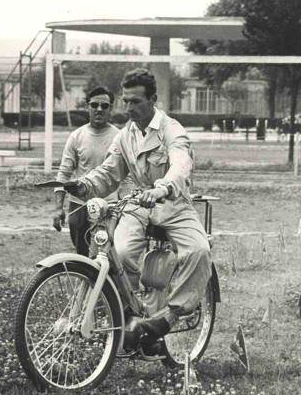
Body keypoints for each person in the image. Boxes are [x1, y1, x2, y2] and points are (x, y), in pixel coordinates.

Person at [64, 68, 212, 359]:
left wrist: (164, 187)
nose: (128, 108)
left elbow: (180, 164)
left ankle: (165, 319)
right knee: (119, 252)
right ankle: (133, 319)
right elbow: (109, 172)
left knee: (198, 251)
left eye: (135, 102)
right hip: (137, 205)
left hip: (173, 203)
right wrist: (82, 185)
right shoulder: (125, 135)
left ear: (153, 100)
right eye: (126, 101)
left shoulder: (172, 130)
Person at [52, 86, 122, 256]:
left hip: (108, 205)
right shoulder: (77, 136)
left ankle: (105, 283)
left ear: (110, 108)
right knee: (81, 256)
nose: (99, 109)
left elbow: (125, 175)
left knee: (106, 255)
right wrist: (58, 208)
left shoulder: (120, 137)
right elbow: (64, 172)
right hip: (79, 205)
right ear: (87, 107)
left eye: (104, 106)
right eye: (94, 105)